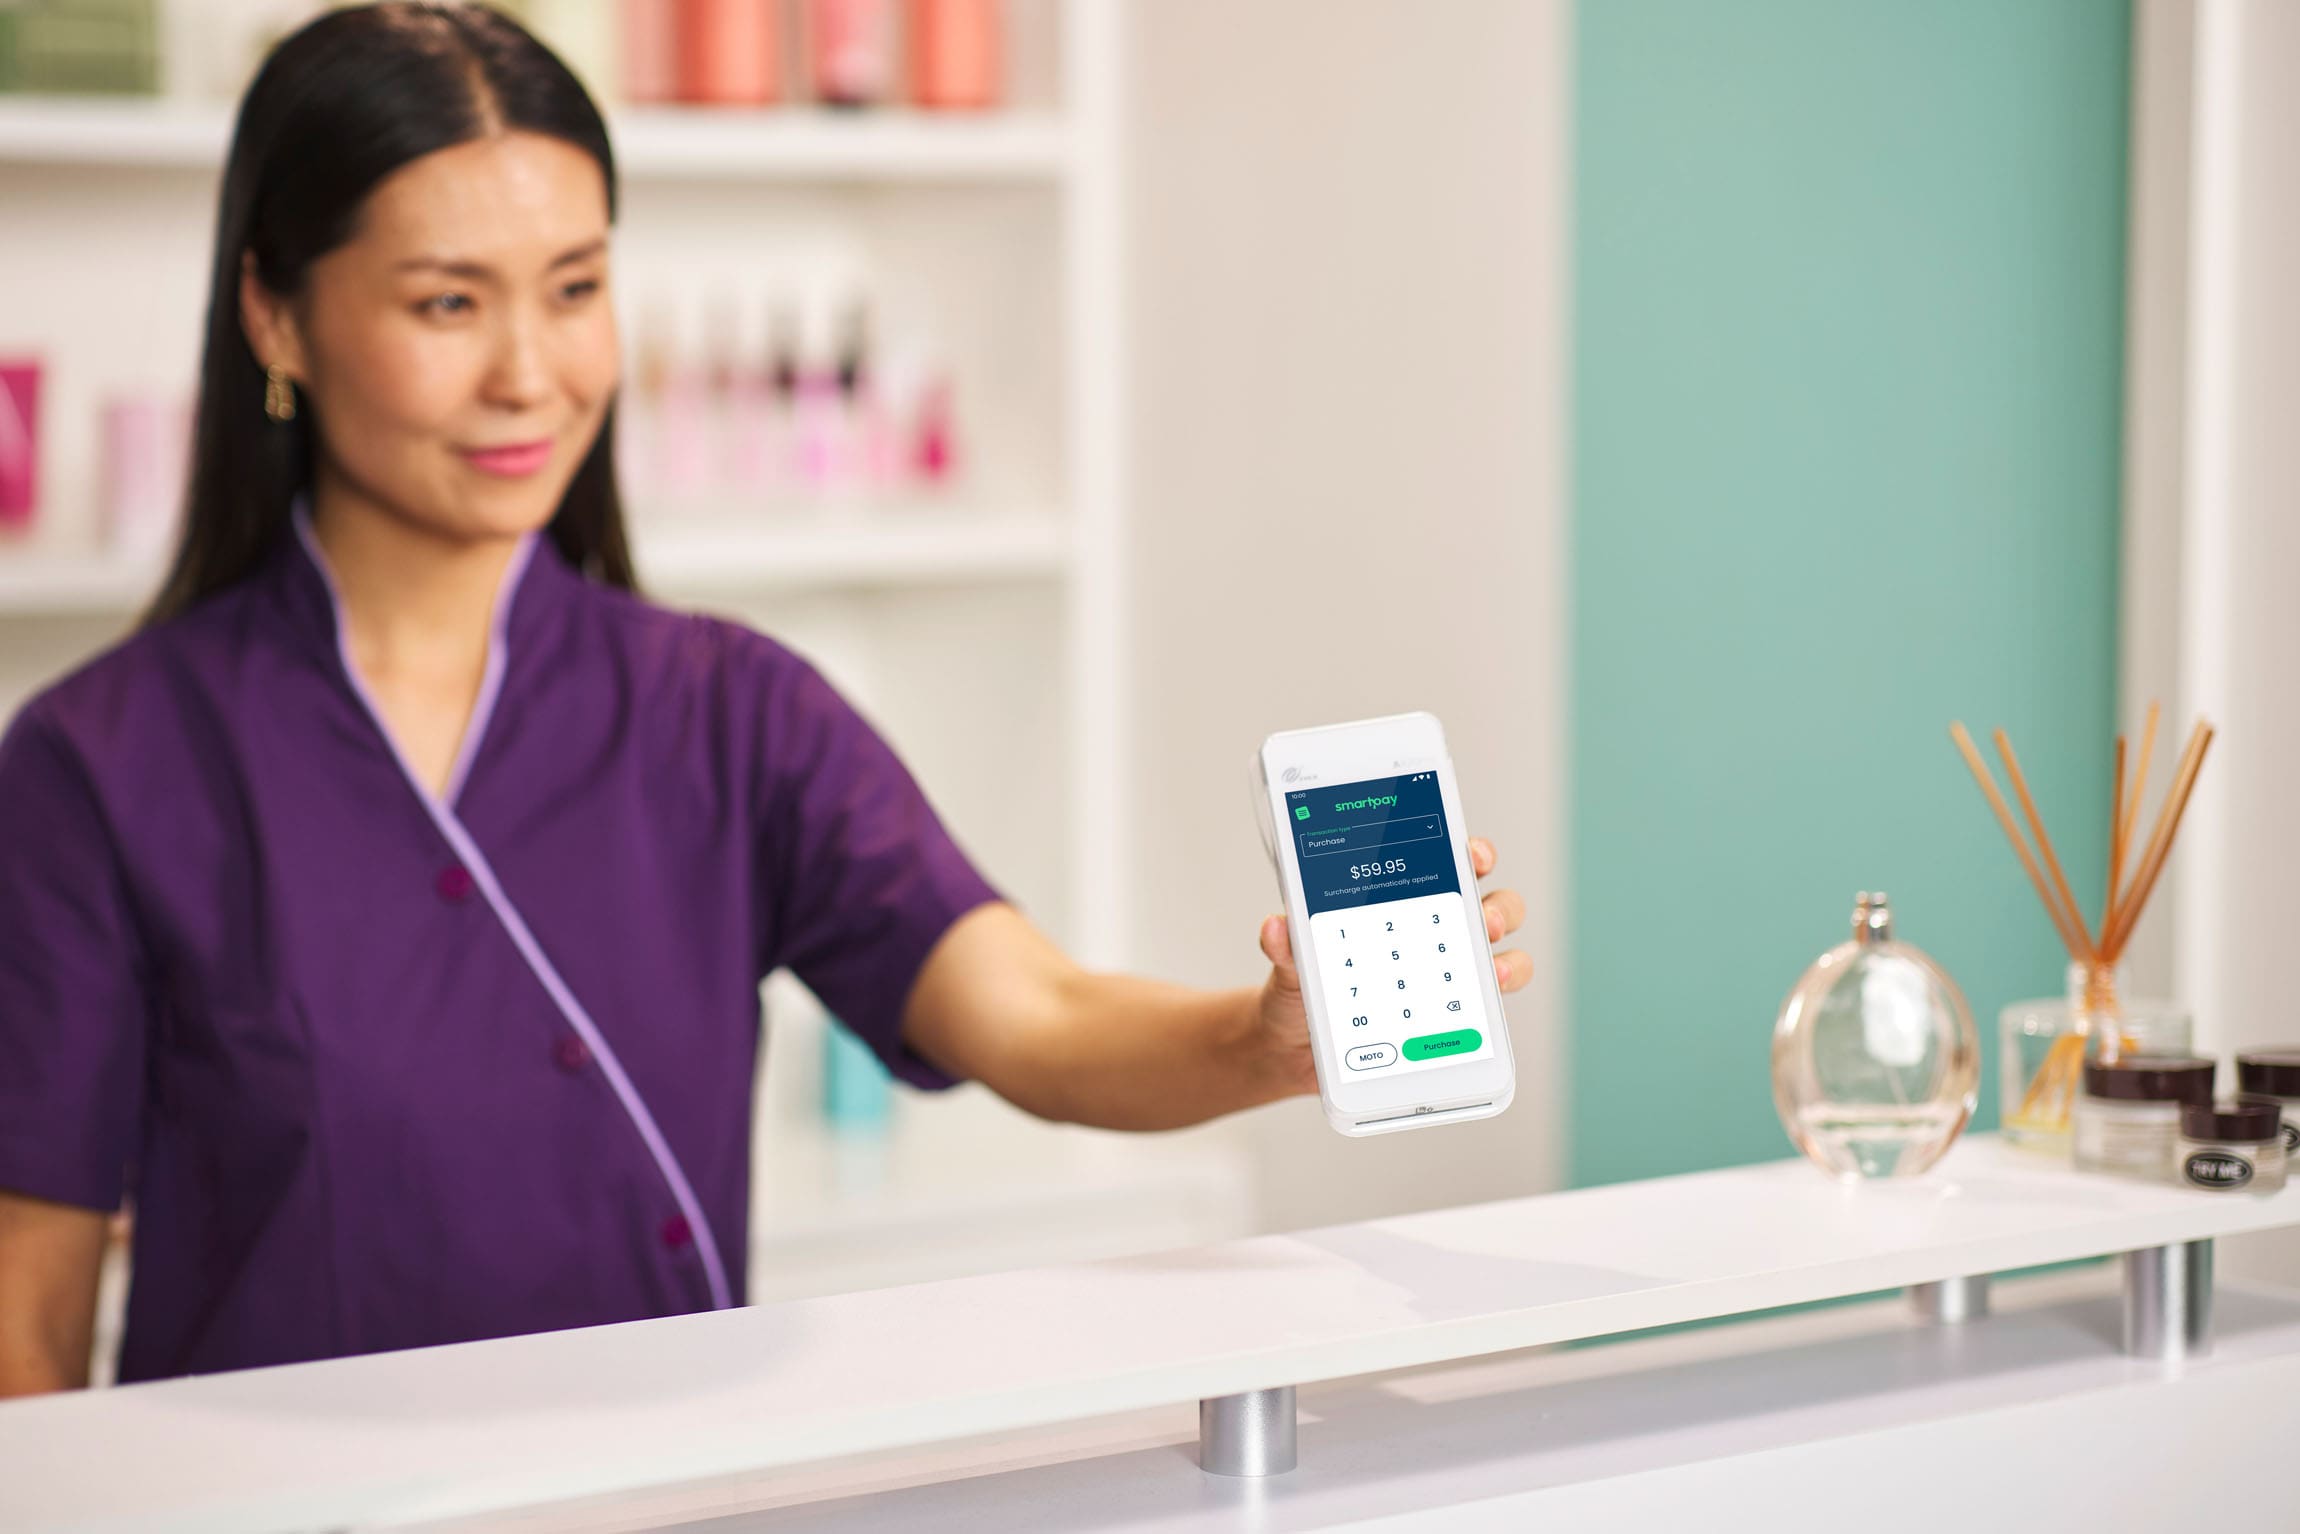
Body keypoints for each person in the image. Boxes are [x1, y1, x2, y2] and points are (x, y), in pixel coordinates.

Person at [0, 2, 1530, 1396]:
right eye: (449, 304)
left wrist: (1269, 1037)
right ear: (276, 317)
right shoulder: (101, 766)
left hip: (662, 1485)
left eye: (578, 287)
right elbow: (29, 1327)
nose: (533, 372)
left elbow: (1039, 1017)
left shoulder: (732, 714)